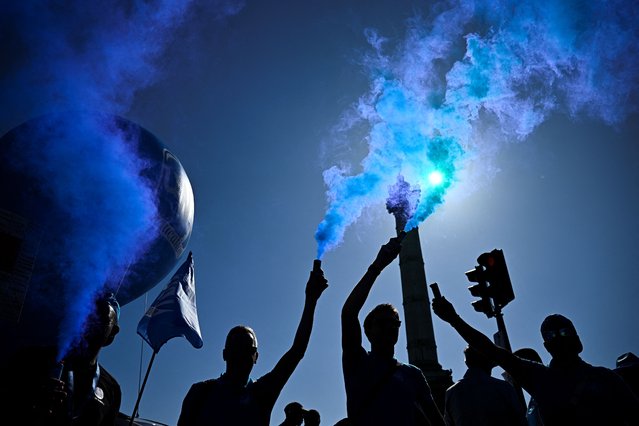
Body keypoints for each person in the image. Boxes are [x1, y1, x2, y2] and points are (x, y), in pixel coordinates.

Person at [432, 296, 639, 425]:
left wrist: (454, 319)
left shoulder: (605, 378)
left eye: (564, 332)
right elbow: (491, 350)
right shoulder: (543, 377)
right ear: (547, 346)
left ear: (577, 340)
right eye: (552, 335)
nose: (559, 338)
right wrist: (453, 319)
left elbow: (492, 351)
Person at [177, 261, 328, 426]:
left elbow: (297, 351)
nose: (242, 354)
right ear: (225, 354)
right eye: (237, 348)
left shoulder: (262, 392)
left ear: (256, 356)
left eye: (248, 349)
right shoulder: (200, 392)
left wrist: (311, 300)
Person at [341, 234, 444, 426]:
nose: (389, 327)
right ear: (367, 331)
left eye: (394, 323)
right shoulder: (357, 361)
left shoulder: (413, 374)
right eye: (382, 323)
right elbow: (348, 313)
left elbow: (436, 421)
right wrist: (377, 266)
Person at [0, 293, 122, 426]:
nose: (90, 325)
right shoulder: (30, 360)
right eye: (87, 316)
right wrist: (29, 403)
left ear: (112, 333)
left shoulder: (111, 389)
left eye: (101, 320)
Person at [444, 345, 526, 426]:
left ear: (466, 362)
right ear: (488, 360)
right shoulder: (504, 388)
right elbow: (520, 420)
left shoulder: (451, 393)